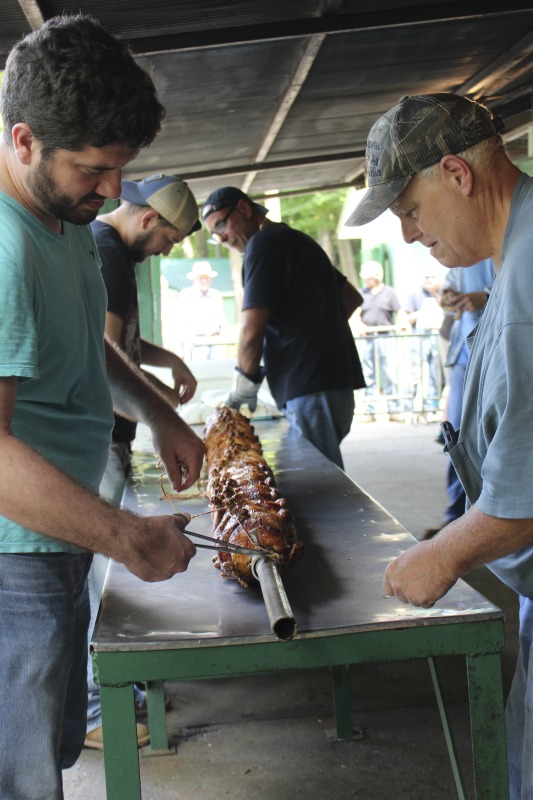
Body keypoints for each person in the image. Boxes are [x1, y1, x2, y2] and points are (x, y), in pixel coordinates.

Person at [0, 16, 206, 799]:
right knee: (19, 773)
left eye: (122, 169)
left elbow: (88, 343)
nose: (114, 190)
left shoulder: (62, 221)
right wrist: (127, 538)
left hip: (54, 528)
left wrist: (160, 413)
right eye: (94, 168)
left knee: (49, 744)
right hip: (11, 554)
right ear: (24, 141)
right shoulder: (5, 244)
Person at [345, 91, 533, 799]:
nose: (407, 235)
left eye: (409, 211)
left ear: (456, 174)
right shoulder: (510, 255)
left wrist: (444, 552)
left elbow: (526, 496)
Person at [85, 174, 202, 750]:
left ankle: (115, 686)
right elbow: (104, 359)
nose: (167, 251)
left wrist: (168, 360)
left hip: (114, 436)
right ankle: (94, 706)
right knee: (98, 577)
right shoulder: (104, 251)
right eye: (171, 240)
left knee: (104, 572)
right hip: (99, 436)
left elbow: (125, 346)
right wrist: (159, 416)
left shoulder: (114, 256)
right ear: (149, 219)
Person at [201, 186, 365, 469]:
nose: (222, 237)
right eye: (215, 235)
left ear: (244, 208)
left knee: (319, 484)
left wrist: (242, 387)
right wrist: (315, 334)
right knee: (319, 477)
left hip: (309, 389)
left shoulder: (262, 244)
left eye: (221, 225)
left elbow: (251, 333)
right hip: (331, 385)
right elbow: (351, 297)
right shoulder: (296, 239)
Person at [353, 260, 410, 422]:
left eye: (368, 277)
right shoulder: (362, 293)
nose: (365, 281)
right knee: (368, 374)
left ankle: (394, 410)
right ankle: (369, 411)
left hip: (386, 337)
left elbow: (399, 312)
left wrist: (403, 324)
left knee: (390, 373)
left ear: (376, 277)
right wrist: (360, 325)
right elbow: (355, 315)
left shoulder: (389, 293)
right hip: (368, 339)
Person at [404, 267, 444, 417]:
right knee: (418, 373)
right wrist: (422, 313)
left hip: (436, 336)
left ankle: (430, 406)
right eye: (426, 277)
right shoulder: (415, 294)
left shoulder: (440, 293)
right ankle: (413, 407)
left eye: (432, 277)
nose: (429, 280)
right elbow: (406, 318)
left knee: (435, 372)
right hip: (420, 337)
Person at [176, 260, 226, 360]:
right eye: (201, 278)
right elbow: (180, 322)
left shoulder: (216, 295)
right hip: (195, 343)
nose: (204, 281)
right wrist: (181, 346)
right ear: (194, 279)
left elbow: (222, 321)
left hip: (214, 343)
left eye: (207, 278)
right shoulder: (186, 296)